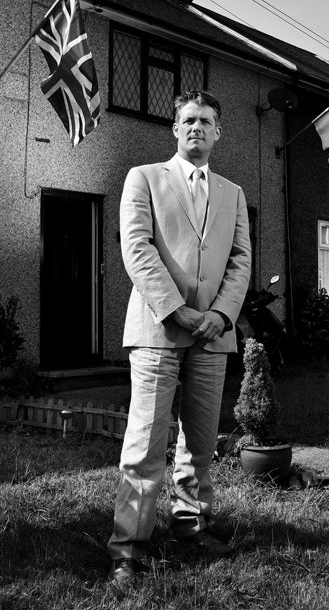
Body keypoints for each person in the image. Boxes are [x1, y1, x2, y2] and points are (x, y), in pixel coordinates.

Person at [108, 90, 251, 586]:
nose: (196, 128)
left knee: (202, 441)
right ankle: (128, 549)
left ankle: (191, 523)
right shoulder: (144, 178)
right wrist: (179, 311)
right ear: (175, 129)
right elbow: (138, 248)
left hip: (213, 337)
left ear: (218, 132)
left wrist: (221, 315)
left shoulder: (233, 192)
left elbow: (240, 260)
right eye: (188, 120)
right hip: (157, 331)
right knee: (145, 442)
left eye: (205, 121)